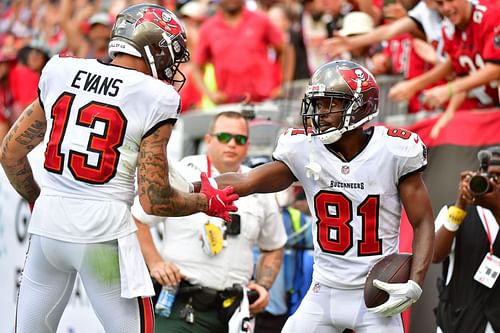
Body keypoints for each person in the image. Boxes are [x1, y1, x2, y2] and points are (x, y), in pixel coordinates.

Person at [0, 4, 237, 333]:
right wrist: (205, 203)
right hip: (103, 239)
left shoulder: (61, 71)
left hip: (47, 232)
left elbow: (11, 153)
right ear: (151, 49)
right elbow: (155, 200)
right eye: (170, 54)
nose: (173, 65)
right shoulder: (155, 96)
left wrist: (37, 199)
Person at [198, 60, 435, 332]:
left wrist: (415, 283)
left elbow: (423, 221)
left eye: (328, 104)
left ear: (360, 107)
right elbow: (248, 180)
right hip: (323, 290)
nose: (319, 113)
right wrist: (194, 187)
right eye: (317, 104)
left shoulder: (393, 151)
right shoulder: (304, 148)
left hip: (374, 293)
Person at [133, 111, 287, 333]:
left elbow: (274, 245)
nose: (232, 144)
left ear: (247, 145)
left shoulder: (258, 184)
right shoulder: (185, 173)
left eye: (240, 139)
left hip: (235, 312)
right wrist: (155, 263)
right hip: (182, 305)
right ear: (208, 140)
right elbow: (138, 218)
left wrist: (262, 286)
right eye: (224, 137)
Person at [432, 147, 500, 333]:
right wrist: (459, 206)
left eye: (499, 177)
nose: (494, 183)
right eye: (489, 176)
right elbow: (435, 255)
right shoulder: (455, 211)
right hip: (456, 323)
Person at [390, 0, 500, 110]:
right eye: (440, 3)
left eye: (450, 0)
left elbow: (496, 69)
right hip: (488, 101)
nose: (446, 7)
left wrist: (449, 89)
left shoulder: (489, 14)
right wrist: (446, 118)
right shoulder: (449, 27)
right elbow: (456, 69)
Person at [191, 0, 285, 105]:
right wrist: (210, 94)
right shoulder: (208, 28)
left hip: (264, 100)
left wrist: (283, 84)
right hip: (230, 104)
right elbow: (196, 67)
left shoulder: (260, 20)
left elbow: (285, 50)